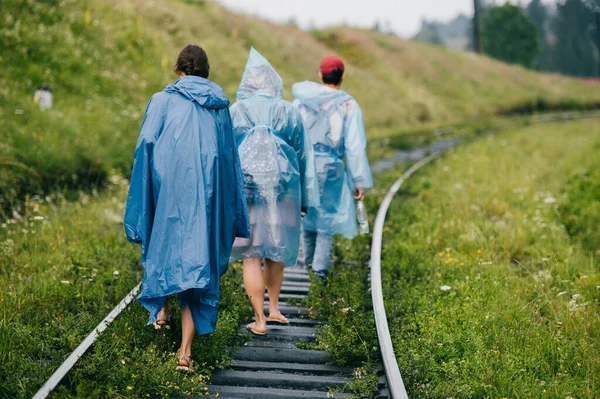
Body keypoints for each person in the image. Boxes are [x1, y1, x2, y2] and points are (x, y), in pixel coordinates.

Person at [124, 45, 250, 371]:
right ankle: (184, 352)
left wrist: (144, 192)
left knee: (162, 246)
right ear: (206, 72)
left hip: (167, 188)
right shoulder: (221, 108)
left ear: (179, 69)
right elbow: (228, 160)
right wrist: (231, 210)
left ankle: (161, 307)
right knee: (199, 267)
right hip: (207, 194)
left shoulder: (162, 101)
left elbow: (145, 146)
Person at [230, 48, 319, 335]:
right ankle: (276, 308)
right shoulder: (288, 111)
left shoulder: (235, 110)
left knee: (250, 253)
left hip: (245, 186)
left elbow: (224, 152)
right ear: (273, 82)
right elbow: (304, 155)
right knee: (276, 248)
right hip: (284, 186)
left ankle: (259, 319)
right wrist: (305, 197)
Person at [292, 56, 373, 280]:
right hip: (331, 168)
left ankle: (309, 267)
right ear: (342, 77)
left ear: (320, 75)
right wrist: (358, 180)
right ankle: (319, 273)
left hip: (304, 166)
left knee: (306, 218)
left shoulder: (301, 101)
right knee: (326, 221)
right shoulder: (349, 105)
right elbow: (355, 146)